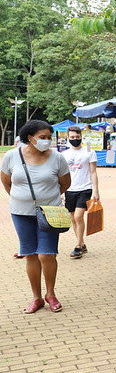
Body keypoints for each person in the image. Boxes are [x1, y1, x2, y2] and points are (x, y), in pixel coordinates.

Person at [1, 120, 71, 313]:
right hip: (21, 213)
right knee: (30, 254)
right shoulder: (11, 156)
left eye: (50, 137)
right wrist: (21, 199)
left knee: (47, 254)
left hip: (50, 213)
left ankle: (51, 294)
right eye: (43, 138)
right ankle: (36, 298)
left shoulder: (57, 158)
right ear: (30, 138)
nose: (47, 141)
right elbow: (6, 182)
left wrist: (49, 198)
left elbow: (65, 183)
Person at [62, 126, 100, 259]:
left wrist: (96, 191)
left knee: (78, 216)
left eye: (77, 137)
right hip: (69, 189)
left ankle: (78, 246)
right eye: (72, 137)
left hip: (85, 188)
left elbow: (93, 172)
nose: (75, 139)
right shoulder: (64, 155)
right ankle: (82, 243)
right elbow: (61, 175)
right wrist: (61, 192)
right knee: (72, 218)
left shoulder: (89, 152)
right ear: (67, 138)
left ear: (81, 137)